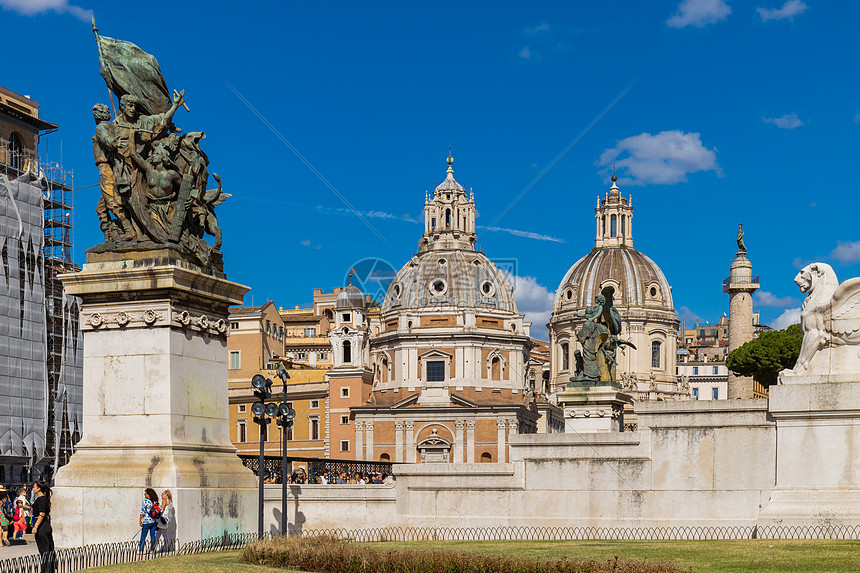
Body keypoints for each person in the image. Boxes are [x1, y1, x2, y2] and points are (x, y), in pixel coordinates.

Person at [31, 479, 54, 573]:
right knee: (45, 550)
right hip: (44, 525)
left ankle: (47, 570)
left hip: (41, 527)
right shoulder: (42, 499)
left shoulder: (42, 499)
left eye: (34, 487)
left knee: (44, 550)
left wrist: (35, 526)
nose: (33, 489)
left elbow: (42, 514)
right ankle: (46, 569)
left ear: (39, 489)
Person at [138, 488, 159, 552]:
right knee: (153, 535)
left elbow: (142, 512)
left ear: (149, 495)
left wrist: (140, 520)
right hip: (154, 521)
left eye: (146, 493)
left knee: (143, 536)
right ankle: (152, 549)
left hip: (146, 521)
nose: (145, 495)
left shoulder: (146, 501)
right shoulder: (155, 502)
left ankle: (141, 550)